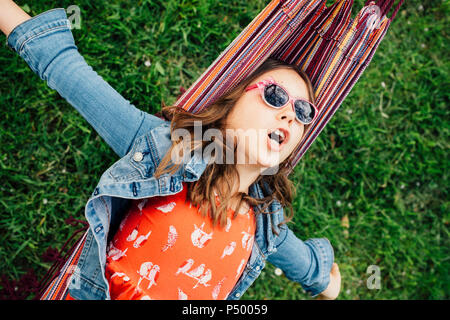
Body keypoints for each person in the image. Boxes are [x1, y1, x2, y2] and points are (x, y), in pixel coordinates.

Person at [0, 0, 341, 300]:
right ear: (230, 101)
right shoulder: (169, 148)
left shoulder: (267, 222)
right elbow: (67, 70)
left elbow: (307, 265)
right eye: (275, 96)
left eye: (303, 112)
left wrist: (327, 284)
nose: (288, 114)